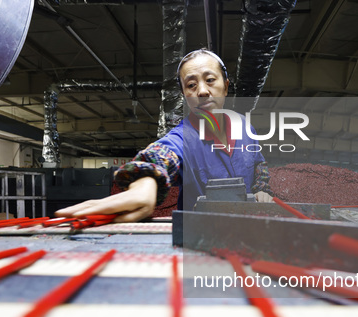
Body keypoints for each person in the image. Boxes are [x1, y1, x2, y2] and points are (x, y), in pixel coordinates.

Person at [56, 49, 273, 222]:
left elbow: (258, 165)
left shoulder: (245, 128)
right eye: (191, 85)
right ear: (185, 95)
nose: (203, 91)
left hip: (249, 230)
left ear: (225, 87)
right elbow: (162, 154)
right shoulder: (183, 138)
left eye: (210, 80)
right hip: (202, 240)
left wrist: (262, 190)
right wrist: (144, 184)